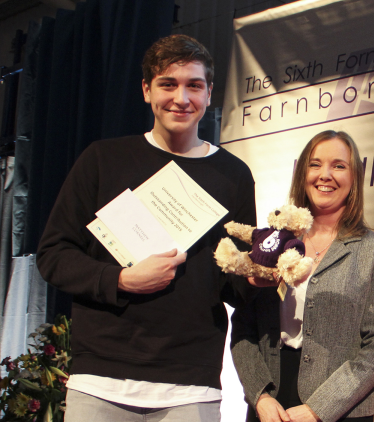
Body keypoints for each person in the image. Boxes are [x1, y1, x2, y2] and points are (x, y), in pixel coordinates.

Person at [36, 34, 257, 421]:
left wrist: (258, 277)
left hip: (192, 383)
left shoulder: (233, 175)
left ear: (209, 94)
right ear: (146, 90)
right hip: (100, 379)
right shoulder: (103, 160)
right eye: (168, 84)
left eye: (194, 85)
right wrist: (121, 280)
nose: (181, 98)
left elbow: (233, 282)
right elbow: (53, 256)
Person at [230, 130, 374, 422]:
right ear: (302, 173)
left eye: (338, 165)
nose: (325, 175)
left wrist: (319, 408)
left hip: (343, 410)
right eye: (315, 164)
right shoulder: (271, 243)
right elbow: (244, 328)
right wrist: (259, 396)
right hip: (271, 406)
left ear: (355, 176)